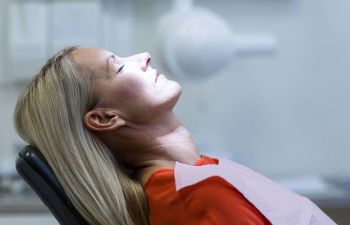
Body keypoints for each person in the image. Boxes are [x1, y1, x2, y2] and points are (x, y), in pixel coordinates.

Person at [14, 47, 336, 225]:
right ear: (105, 118)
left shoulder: (195, 179)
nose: (143, 56)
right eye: (120, 67)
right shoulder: (193, 198)